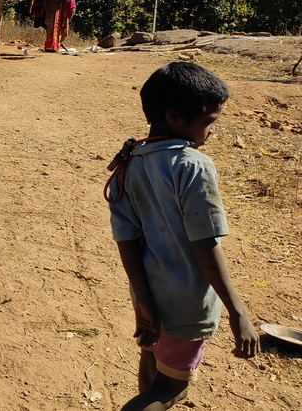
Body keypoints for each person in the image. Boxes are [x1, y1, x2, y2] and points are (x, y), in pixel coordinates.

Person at [105, 62, 259, 411]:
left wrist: (142, 299)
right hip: (187, 304)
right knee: (171, 389)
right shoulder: (194, 166)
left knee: (150, 367)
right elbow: (204, 244)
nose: (211, 132)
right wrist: (238, 312)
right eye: (209, 122)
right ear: (175, 116)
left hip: (148, 295)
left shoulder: (129, 161)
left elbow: (125, 237)